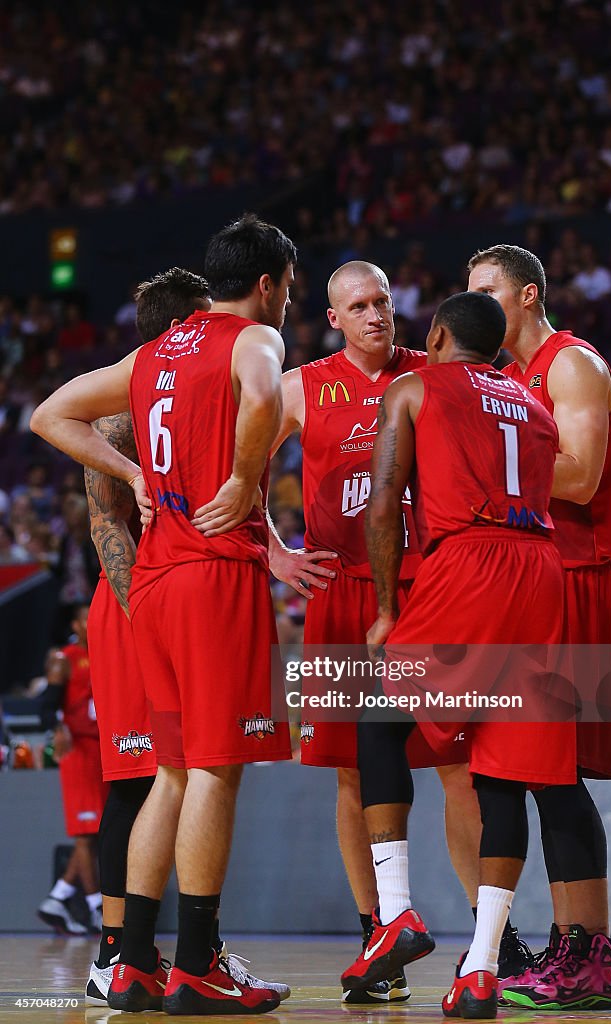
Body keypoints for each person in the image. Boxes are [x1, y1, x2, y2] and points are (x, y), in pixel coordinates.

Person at [31, 213, 295, 1016]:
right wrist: (241, 482)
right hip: (213, 574)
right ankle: (197, 963)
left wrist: (129, 471)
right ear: (266, 285)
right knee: (214, 770)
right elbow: (262, 400)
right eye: (289, 288)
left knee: (171, 774)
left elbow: (48, 415)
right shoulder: (254, 341)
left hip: (151, 582)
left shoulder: (152, 354)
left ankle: (134, 961)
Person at [268, 261, 530, 1004]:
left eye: (383, 301)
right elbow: (238, 464)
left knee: (457, 765)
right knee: (352, 771)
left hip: (424, 591)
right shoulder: (302, 386)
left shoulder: (437, 371)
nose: (377, 314)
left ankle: (494, 939)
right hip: (342, 595)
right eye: (360, 305)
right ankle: (376, 932)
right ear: (334, 320)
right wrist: (274, 552)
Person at [340, 291, 576, 1019]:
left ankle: (398, 912)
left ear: (437, 334)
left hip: (466, 564)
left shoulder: (413, 385)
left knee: (377, 715)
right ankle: (479, 969)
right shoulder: (534, 405)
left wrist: (385, 609)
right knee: (502, 767)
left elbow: (384, 502)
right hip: (540, 572)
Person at [468, 244, 611, 1010]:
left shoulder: (572, 365)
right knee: (541, 778)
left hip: (577, 583)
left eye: (488, 291)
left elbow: (581, 473)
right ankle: (570, 949)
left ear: (527, 294)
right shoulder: (503, 380)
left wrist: (483, 475)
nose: (478, 305)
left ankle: (593, 957)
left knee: (560, 779)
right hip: (533, 588)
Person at [37, 603, 108, 936]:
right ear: (76, 625)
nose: (92, 623)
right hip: (77, 750)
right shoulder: (64, 658)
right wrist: (58, 728)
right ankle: (96, 906)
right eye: (86, 618)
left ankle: (58, 896)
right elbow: (47, 705)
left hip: (102, 749)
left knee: (96, 832)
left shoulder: (107, 653)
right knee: (85, 833)